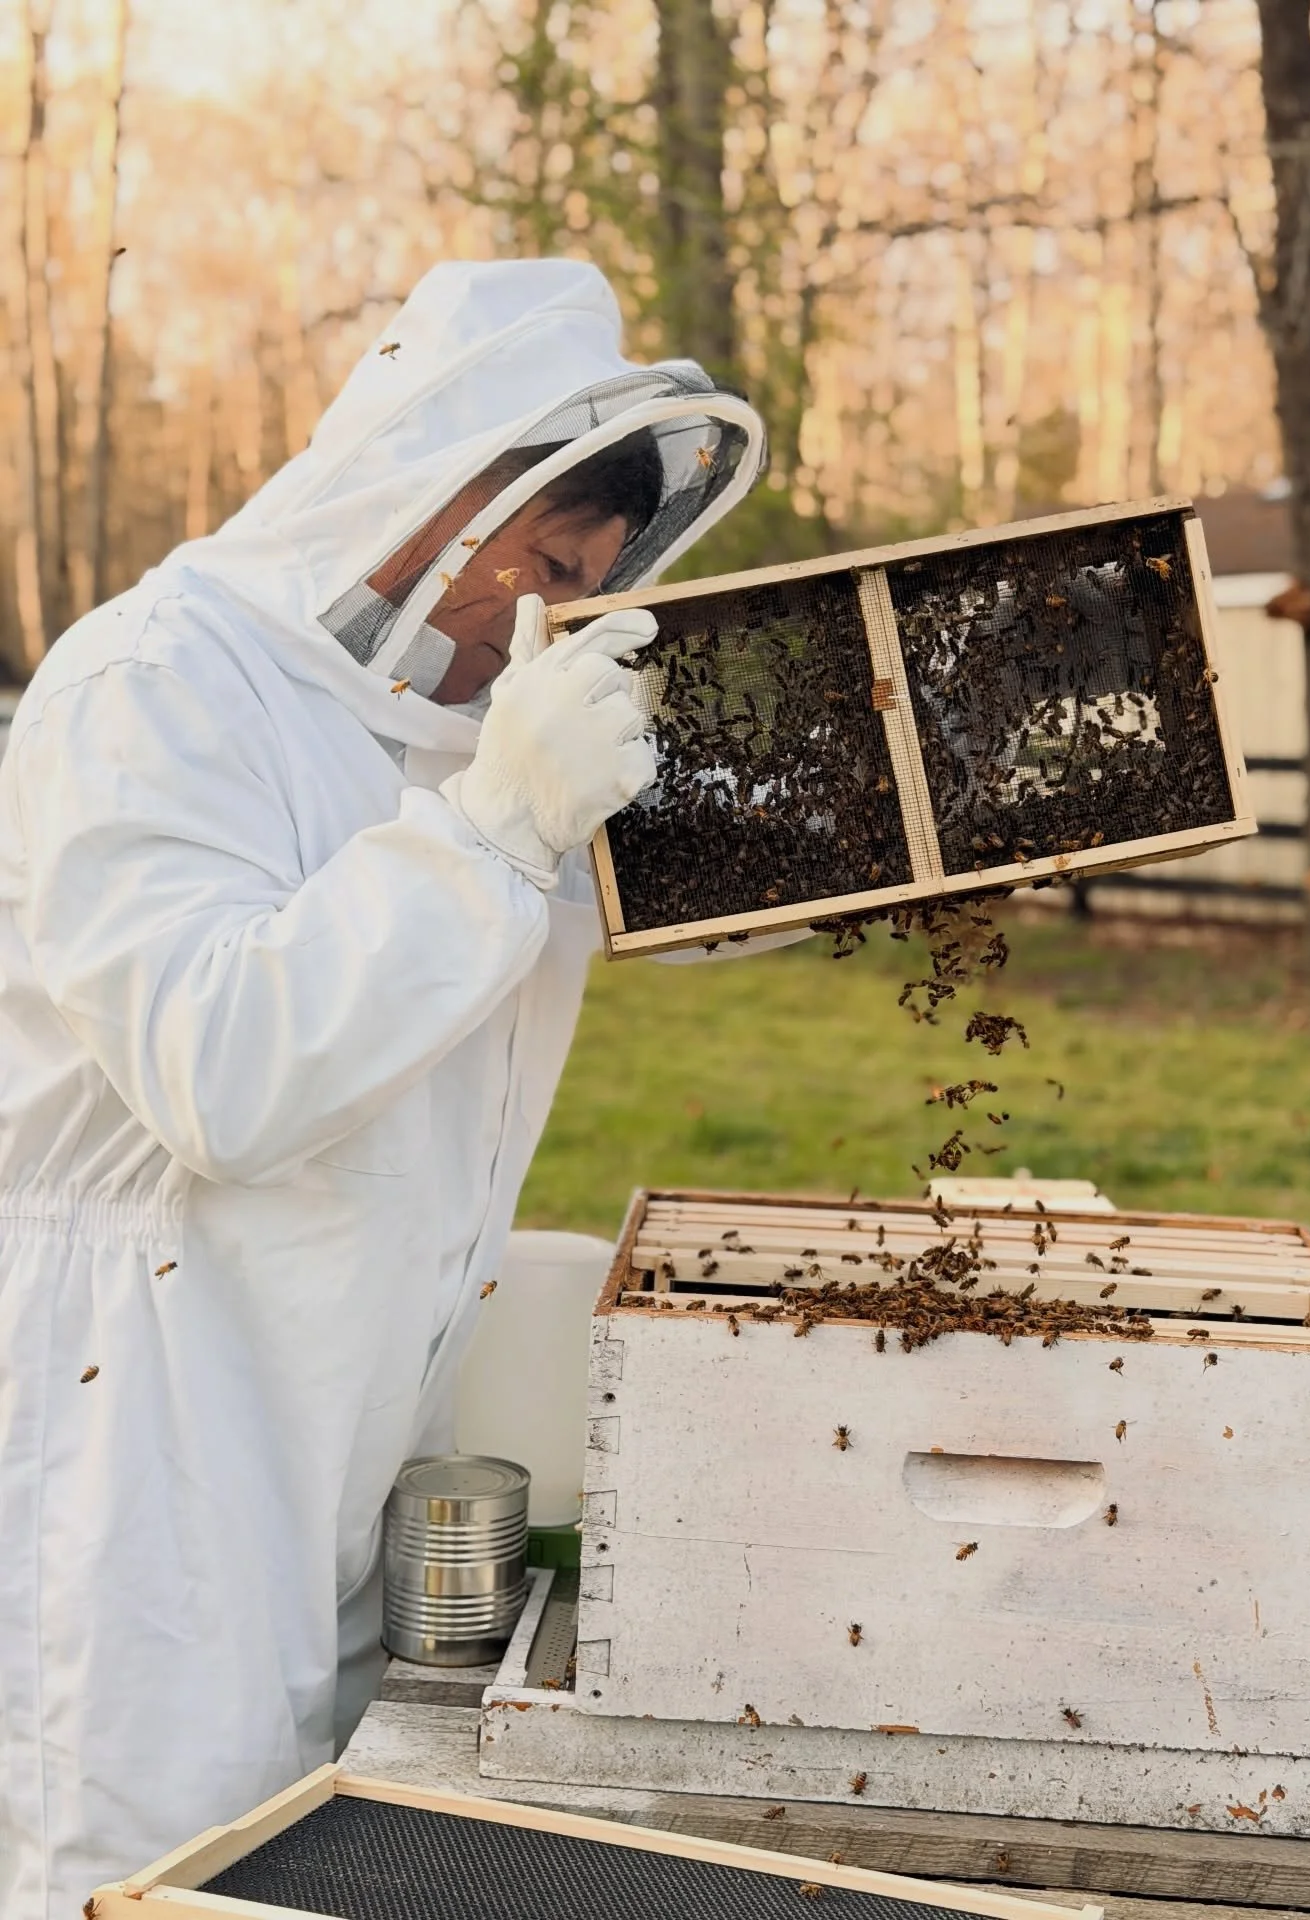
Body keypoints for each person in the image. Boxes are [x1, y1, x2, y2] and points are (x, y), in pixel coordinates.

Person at [0, 258, 777, 1917]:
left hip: (346, 1426)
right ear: (429, 485)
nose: (540, 607)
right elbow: (222, 1074)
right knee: (140, 1868)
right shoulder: (153, 686)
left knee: (294, 1864)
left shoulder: (460, 732)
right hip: (136, 1432)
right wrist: (497, 830)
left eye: (588, 574)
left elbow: (636, 905)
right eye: (537, 557)